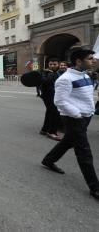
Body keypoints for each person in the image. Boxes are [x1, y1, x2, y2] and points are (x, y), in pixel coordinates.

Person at [41, 49, 99, 201]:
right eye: (90, 58)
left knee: (68, 142)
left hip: (85, 116)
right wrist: (77, 114)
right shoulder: (65, 79)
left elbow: (85, 96)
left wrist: (88, 112)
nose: (93, 60)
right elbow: (60, 101)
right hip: (75, 118)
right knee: (84, 151)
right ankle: (95, 187)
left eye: (93, 58)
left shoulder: (85, 75)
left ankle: (48, 160)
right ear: (79, 61)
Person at [39, 58, 61, 141]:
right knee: (55, 113)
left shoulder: (57, 73)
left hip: (56, 95)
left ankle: (44, 130)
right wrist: (50, 74)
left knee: (50, 112)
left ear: (58, 64)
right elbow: (45, 81)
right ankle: (52, 132)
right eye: (50, 64)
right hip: (48, 96)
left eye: (54, 64)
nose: (52, 66)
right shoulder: (45, 72)